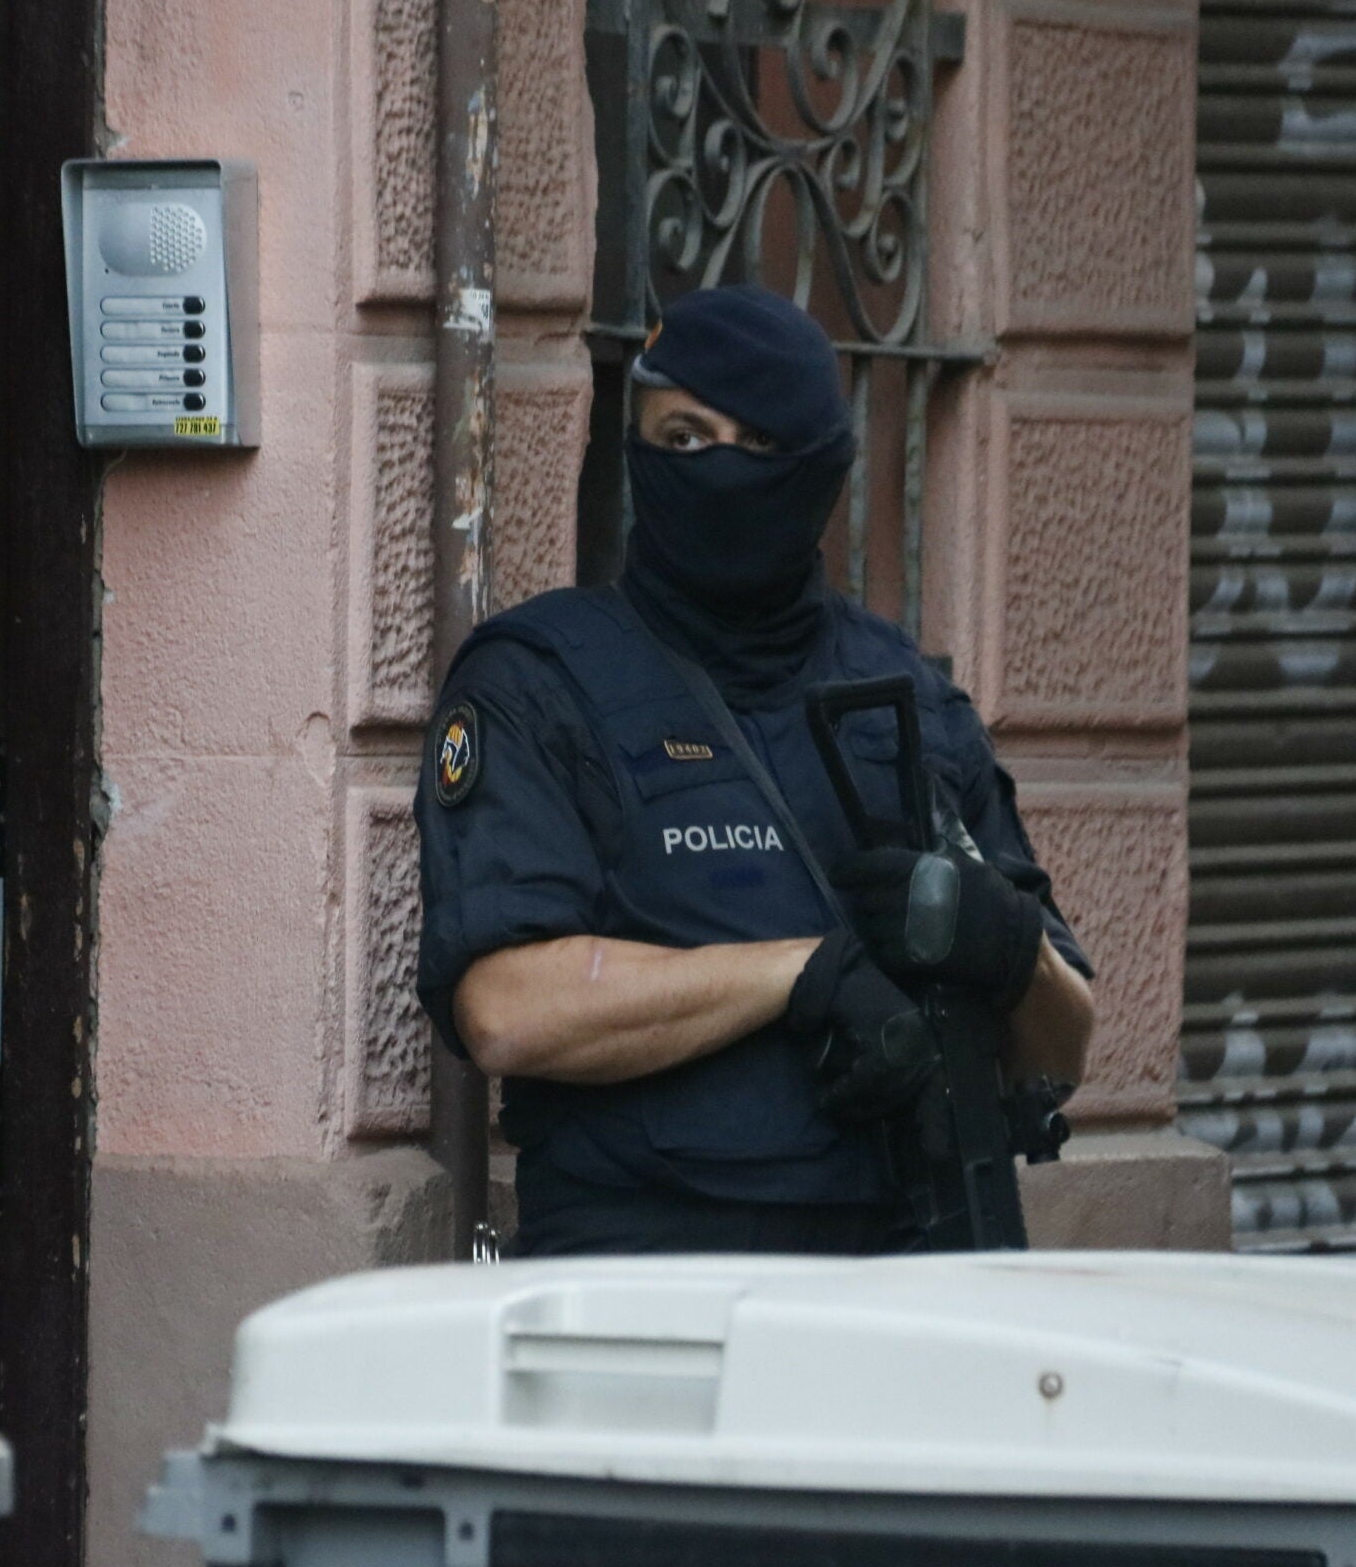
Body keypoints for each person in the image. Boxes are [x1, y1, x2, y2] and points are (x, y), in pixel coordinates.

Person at [413, 285, 1095, 1257]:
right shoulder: (540, 680)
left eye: (758, 446)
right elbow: (509, 1011)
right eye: (683, 437)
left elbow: (1061, 1049)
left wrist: (1006, 942)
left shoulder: (904, 691)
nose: (718, 471)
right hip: (652, 1282)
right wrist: (800, 976)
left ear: (817, 472)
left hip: (911, 1274)